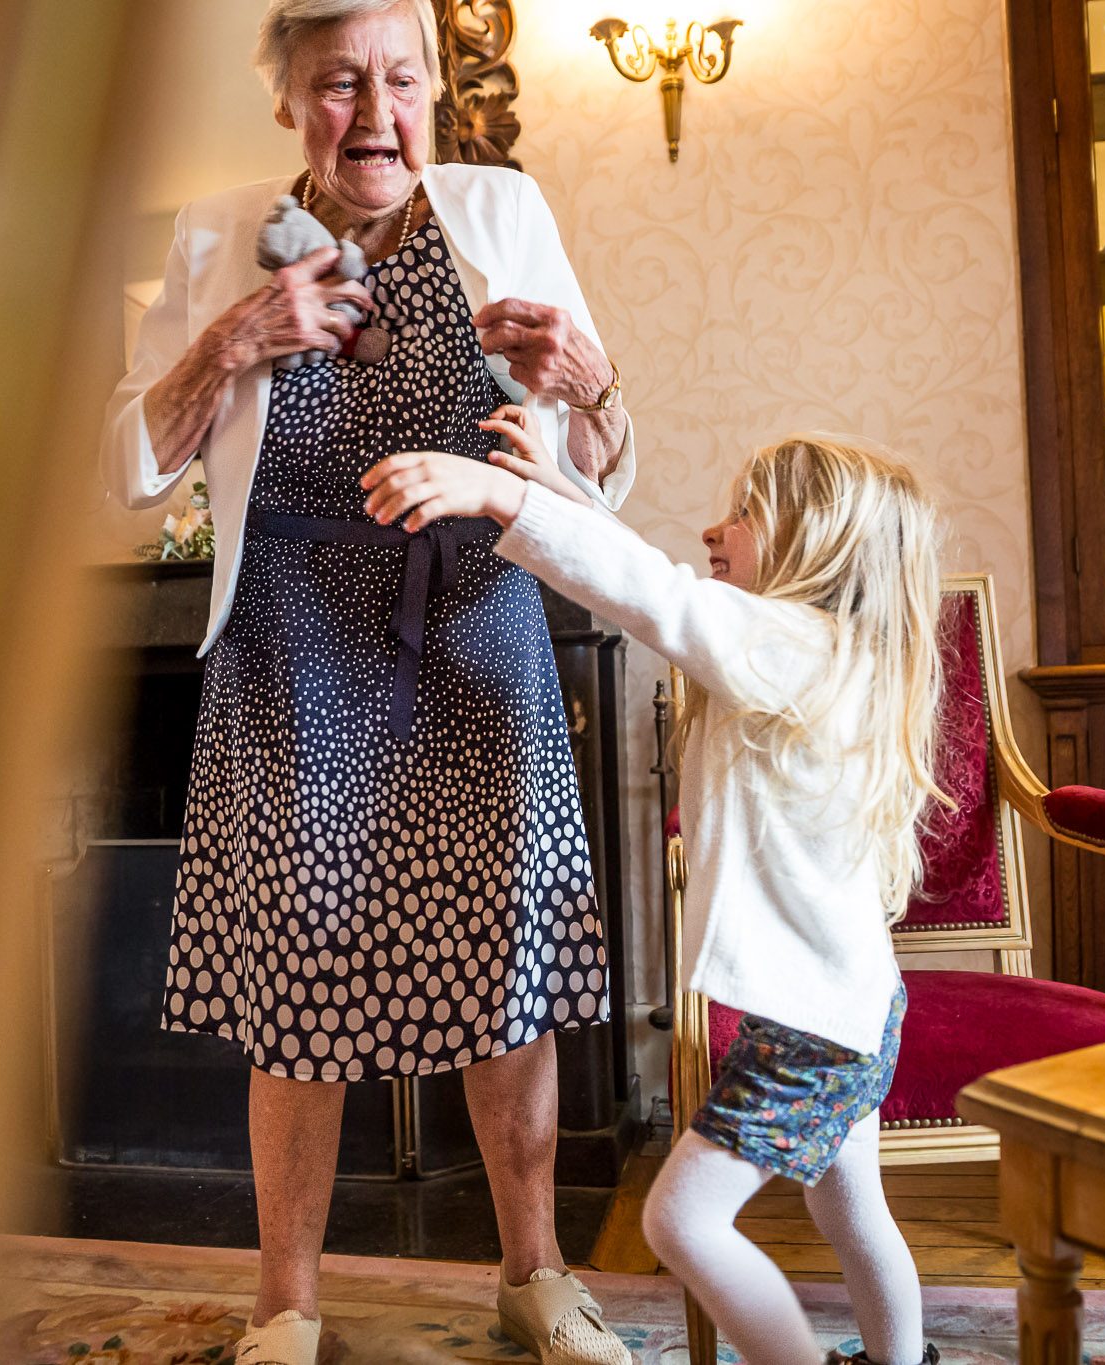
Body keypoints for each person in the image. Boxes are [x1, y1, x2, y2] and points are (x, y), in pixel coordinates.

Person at [95, 2, 637, 1362]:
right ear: (288, 100)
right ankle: (288, 1304)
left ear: (437, 91)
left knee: (507, 975)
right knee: (299, 988)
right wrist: (233, 340)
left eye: (405, 79)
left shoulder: (501, 208)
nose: (381, 112)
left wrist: (601, 386)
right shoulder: (224, 233)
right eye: (342, 84)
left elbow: (595, 463)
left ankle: (535, 1275)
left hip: (475, 622)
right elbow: (126, 466)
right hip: (289, 637)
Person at [362, 424, 946, 1365]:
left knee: (679, 1220)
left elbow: (656, 596)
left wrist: (511, 499)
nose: (715, 528)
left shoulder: (786, 647)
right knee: (852, 1203)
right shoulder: (825, 653)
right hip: (852, 1006)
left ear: (815, 542)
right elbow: (655, 579)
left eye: (746, 514)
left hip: (812, 1026)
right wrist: (559, 492)